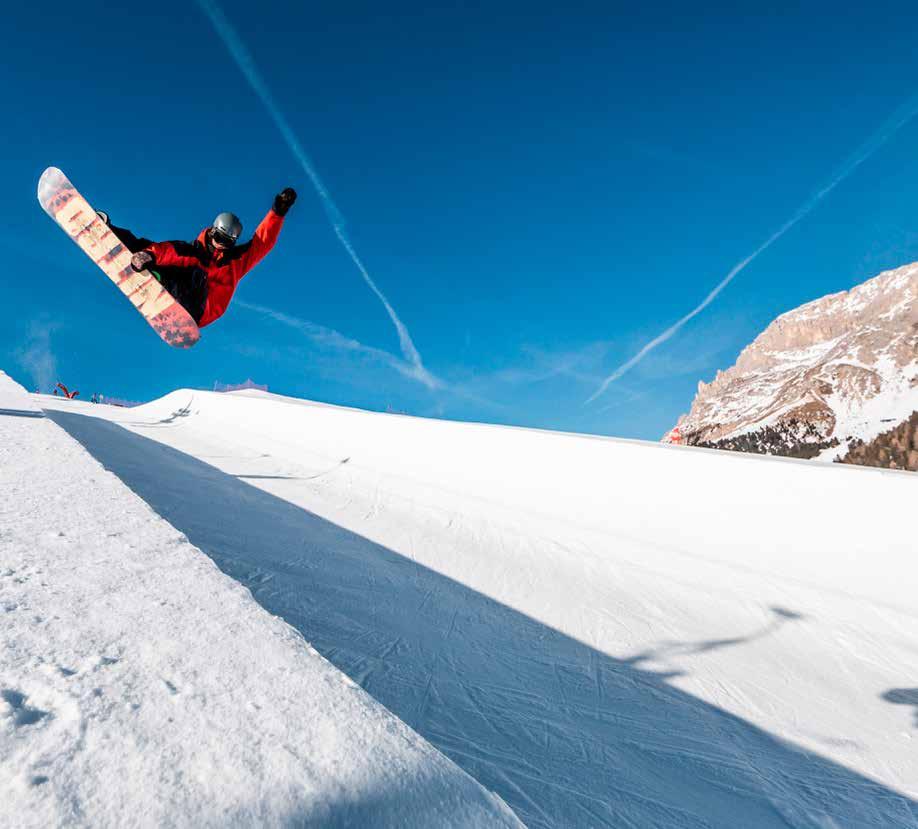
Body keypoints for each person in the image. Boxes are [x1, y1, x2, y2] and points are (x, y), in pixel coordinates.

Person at [99, 187, 297, 327]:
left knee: (196, 274)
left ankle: (158, 279)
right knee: (148, 246)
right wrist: (148, 255)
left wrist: (277, 212)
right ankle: (107, 229)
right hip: (180, 288)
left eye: (227, 242)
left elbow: (262, 243)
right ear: (212, 232)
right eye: (219, 237)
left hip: (199, 310)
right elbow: (171, 252)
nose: (221, 244)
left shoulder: (236, 262)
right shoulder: (194, 251)